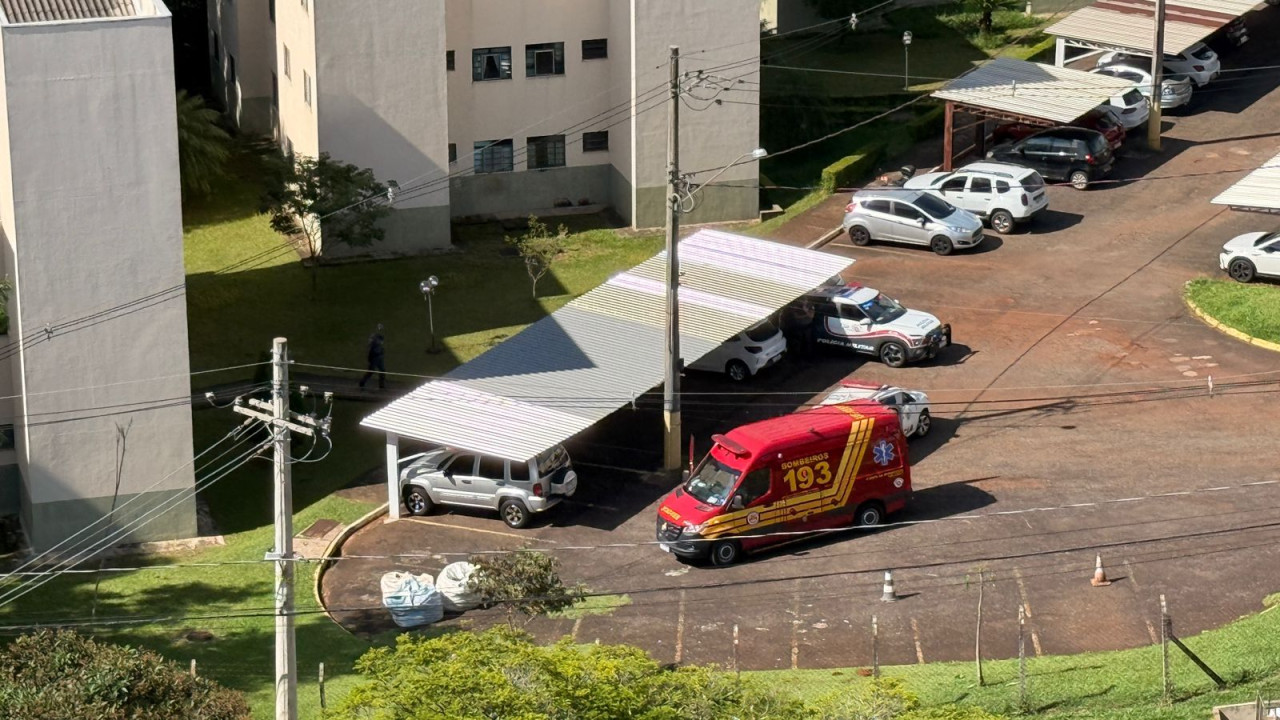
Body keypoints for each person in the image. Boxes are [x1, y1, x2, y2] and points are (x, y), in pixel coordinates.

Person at [359, 324, 386, 390]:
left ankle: (381, 385)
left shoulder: (377, 339)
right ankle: (362, 382)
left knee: (382, 371)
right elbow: (370, 348)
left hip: (379, 357)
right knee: (371, 371)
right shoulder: (373, 341)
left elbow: (381, 339)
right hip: (374, 358)